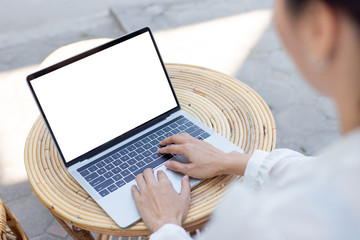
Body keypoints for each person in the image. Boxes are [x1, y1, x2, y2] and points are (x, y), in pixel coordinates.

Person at [130, 0, 360, 239]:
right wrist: (233, 160)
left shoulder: (269, 225)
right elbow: (320, 174)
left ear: (318, 28)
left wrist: (166, 225)